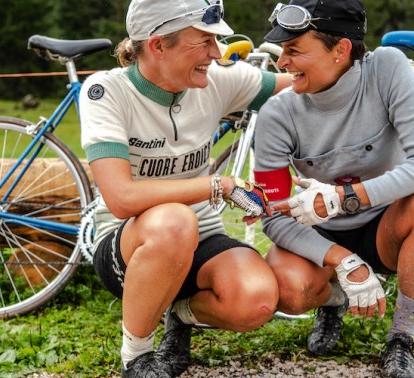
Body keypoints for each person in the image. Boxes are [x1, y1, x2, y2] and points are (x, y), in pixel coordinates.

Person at [77, 0, 293, 377]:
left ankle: (178, 314)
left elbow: (308, 82)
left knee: (256, 300)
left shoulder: (218, 80)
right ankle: (137, 356)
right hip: (132, 243)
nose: (217, 53)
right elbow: (121, 198)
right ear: (158, 46)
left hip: (201, 235)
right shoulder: (106, 91)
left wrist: (393, 75)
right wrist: (217, 185)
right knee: (174, 221)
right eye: (205, 41)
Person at [253, 0, 414, 377]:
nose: (283, 62)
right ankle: (334, 300)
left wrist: (346, 198)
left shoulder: (389, 68)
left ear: (341, 50)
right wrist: (342, 261)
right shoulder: (276, 114)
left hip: (385, 225)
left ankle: (401, 339)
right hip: (321, 235)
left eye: (295, 50)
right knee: (288, 288)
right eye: (283, 50)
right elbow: (273, 213)